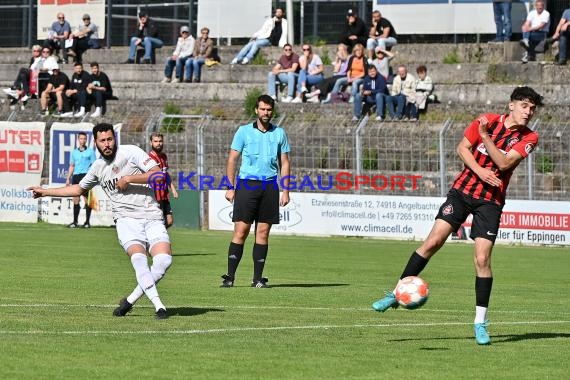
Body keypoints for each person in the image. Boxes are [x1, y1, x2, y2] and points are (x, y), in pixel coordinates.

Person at [371, 86, 543, 345]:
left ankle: (480, 323)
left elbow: (505, 163)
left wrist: (485, 139)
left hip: (490, 202)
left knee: (482, 259)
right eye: (524, 106)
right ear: (511, 105)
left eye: (532, 108)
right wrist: (480, 170)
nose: (528, 112)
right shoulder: (485, 120)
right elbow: (462, 148)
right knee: (432, 242)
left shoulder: (530, 137)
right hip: (462, 192)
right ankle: (397, 293)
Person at [28, 123, 173, 319]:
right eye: (102, 141)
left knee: (164, 261)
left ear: (115, 139)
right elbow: (78, 189)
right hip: (126, 219)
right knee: (139, 260)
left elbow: (158, 176)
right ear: (95, 142)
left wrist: (129, 178)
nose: (107, 144)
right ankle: (159, 307)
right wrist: (45, 191)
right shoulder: (97, 168)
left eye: (110, 139)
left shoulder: (131, 152)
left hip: (151, 214)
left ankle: (130, 301)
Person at [221, 95, 291, 288]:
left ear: (272, 111)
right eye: (262, 109)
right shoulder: (243, 132)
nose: (265, 113)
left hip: (269, 186)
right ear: (256, 110)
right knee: (241, 231)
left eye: (269, 110)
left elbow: (284, 163)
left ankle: (258, 279)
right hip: (246, 185)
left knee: (263, 233)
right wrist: (230, 186)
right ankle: (230, 277)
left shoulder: (279, 133)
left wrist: (285, 190)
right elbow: (232, 160)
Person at [65, 132, 96, 228]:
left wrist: (92, 177)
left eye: (84, 139)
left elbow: (94, 165)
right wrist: (68, 178)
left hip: (85, 176)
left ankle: (87, 222)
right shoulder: (74, 152)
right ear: (78, 140)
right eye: (81, 139)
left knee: (87, 199)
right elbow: (72, 165)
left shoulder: (90, 152)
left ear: (86, 140)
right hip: (76, 176)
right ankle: (75, 222)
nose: (82, 140)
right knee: (76, 199)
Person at [148, 132, 179, 228]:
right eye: (156, 141)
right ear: (151, 143)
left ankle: (157, 239)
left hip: (164, 194)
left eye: (160, 141)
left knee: (169, 221)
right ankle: (156, 240)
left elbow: (165, 174)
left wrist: (173, 189)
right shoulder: (149, 158)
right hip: (154, 194)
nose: (158, 143)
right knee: (158, 221)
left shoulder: (164, 157)